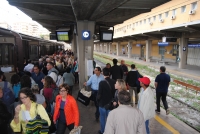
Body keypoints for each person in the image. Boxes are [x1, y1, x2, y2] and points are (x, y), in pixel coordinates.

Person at [97, 68, 116, 134]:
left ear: (102, 73)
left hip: (102, 104)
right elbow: (115, 93)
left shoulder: (101, 83)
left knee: (102, 118)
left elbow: (99, 94)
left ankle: (103, 131)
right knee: (110, 119)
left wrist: (97, 100)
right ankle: (110, 131)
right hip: (110, 104)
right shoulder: (114, 81)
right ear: (109, 74)